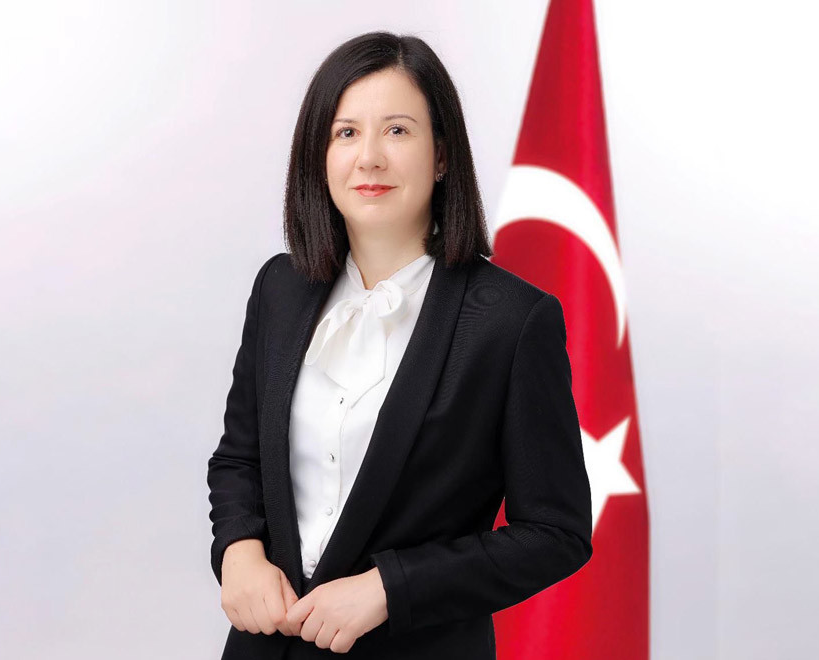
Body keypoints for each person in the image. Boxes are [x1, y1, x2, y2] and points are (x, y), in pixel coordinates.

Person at [207, 31, 593, 659]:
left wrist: (392, 587)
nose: (369, 158)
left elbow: (555, 532)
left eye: (397, 131)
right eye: (346, 132)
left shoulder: (512, 321)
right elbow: (239, 458)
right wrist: (239, 550)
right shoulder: (279, 288)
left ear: (441, 156)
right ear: (319, 154)